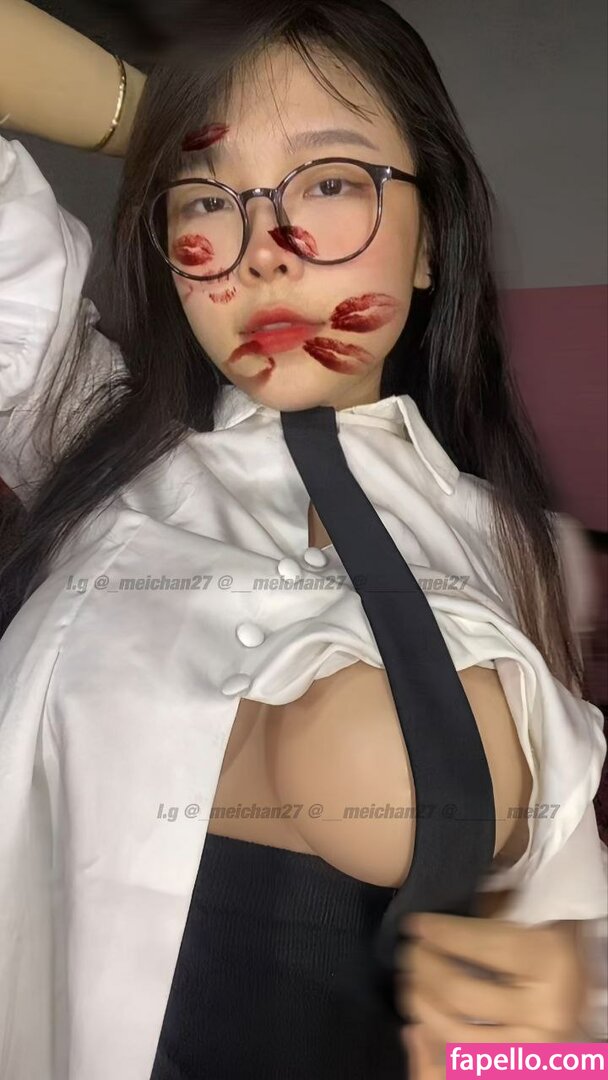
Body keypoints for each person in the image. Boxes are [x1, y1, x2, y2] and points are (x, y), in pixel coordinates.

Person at [0, 1, 606, 1078]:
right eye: (207, 201)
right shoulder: (84, 440)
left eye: (328, 183)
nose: (265, 254)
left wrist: (553, 1037)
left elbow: (557, 1029)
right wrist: (158, 123)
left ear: (430, 245)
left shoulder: (534, 556)